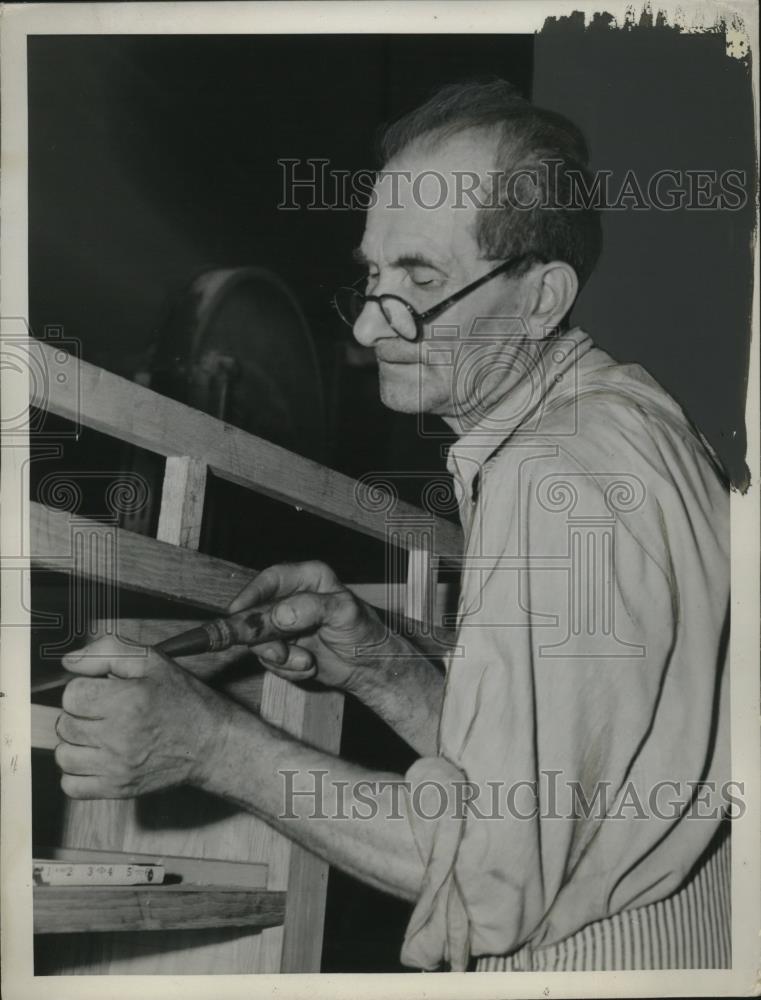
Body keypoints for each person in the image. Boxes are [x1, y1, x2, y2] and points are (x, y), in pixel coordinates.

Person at [54, 80, 731, 971]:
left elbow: (488, 876)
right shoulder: (623, 418)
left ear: (539, 298)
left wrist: (213, 746)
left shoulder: (557, 474)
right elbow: (551, 776)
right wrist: (378, 663)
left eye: (420, 280)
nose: (373, 324)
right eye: (372, 275)